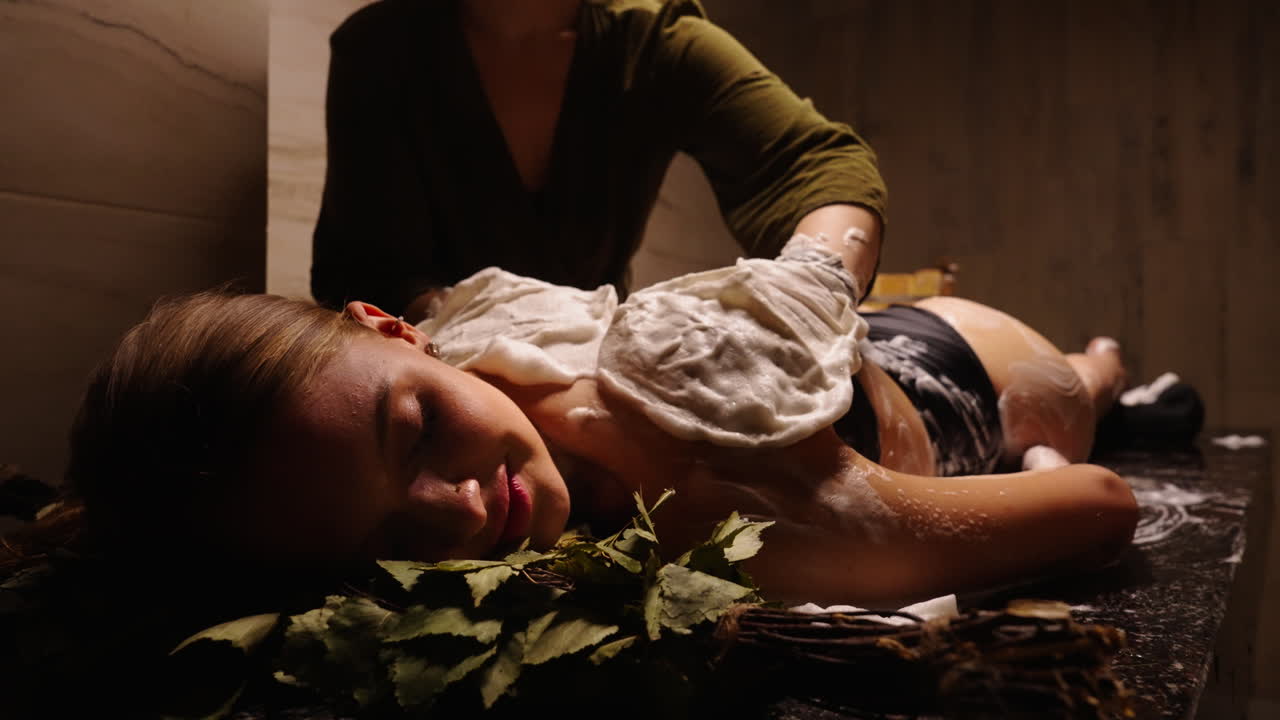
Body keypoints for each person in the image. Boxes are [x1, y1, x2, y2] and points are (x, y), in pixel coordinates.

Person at [38, 257, 1136, 609]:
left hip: (962, 355)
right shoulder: (674, 532)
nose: (459, 508)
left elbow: (1101, 502)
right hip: (906, 390)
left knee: (1071, 396)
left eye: (417, 430)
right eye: (388, 540)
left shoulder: (494, 337)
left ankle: (1115, 368)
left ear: (401, 332)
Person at [311, 0, 887, 323]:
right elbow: (371, 272)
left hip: (599, 385)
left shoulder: (653, 41)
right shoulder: (380, 53)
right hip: (434, 396)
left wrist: (811, 285)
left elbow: (815, 162)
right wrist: (477, 322)